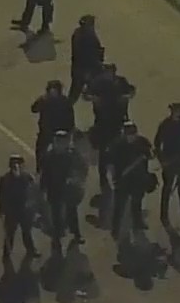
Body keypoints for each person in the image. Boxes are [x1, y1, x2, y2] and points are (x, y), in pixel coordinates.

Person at [86, 63, 136, 191]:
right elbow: (87, 94)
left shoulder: (120, 82)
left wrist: (127, 96)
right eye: (106, 71)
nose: (108, 74)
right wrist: (93, 98)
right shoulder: (98, 83)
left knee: (120, 150)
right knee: (103, 152)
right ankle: (103, 180)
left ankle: (118, 177)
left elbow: (131, 91)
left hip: (118, 120)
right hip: (103, 122)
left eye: (110, 71)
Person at [40, 130, 86, 249]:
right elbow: (44, 174)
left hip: (68, 188)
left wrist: (76, 179)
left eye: (62, 142)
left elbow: (81, 167)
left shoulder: (71, 155)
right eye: (58, 142)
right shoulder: (49, 156)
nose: (60, 145)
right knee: (56, 214)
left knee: (71, 211)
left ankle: (76, 233)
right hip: (54, 188)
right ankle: (57, 235)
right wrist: (43, 189)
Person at [111, 121, 155, 239]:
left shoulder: (142, 142)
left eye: (133, 133)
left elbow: (151, 154)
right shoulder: (118, 145)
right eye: (128, 134)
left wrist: (148, 155)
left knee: (137, 203)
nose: (131, 136)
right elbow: (111, 163)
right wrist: (114, 178)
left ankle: (138, 223)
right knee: (119, 206)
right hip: (123, 180)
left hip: (138, 179)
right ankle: (115, 229)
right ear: (124, 134)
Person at [0, 155, 38, 260]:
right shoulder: (5, 179)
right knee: (10, 233)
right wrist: (1, 209)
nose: (17, 167)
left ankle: (31, 250)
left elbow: (33, 193)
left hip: (24, 210)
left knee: (26, 232)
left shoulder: (27, 177)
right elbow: (0, 195)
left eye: (19, 165)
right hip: (12, 211)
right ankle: (7, 253)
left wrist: (33, 207)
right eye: (14, 165)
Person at [31, 80, 75, 171]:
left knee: (41, 151)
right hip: (57, 133)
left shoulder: (46, 100)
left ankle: (41, 169)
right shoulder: (65, 101)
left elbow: (34, 109)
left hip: (50, 133)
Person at [68, 14, 105, 103]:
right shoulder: (87, 36)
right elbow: (87, 55)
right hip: (85, 69)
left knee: (74, 93)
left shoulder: (79, 33)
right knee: (101, 91)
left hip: (80, 68)